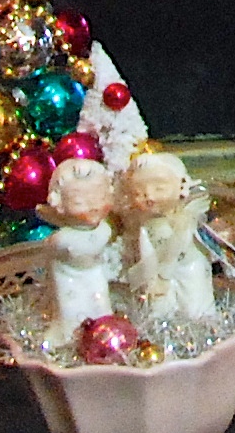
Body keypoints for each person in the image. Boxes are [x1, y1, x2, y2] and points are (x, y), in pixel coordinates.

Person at [118, 147, 214, 326]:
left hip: (188, 269)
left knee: (193, 306)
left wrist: (163, 277)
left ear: (181, 186)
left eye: (159, 189)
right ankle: (163, 328)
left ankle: (201, 327)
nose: (149, 197)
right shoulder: (144, 226)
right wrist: (151, 279)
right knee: (160, 308)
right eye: (139, 193)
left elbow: (175, 251)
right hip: (158, 275)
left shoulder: (183, 221)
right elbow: (145, 254)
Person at [36, 157, 118, 350]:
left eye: (100, 198)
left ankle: (101, 338)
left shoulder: (105, 230)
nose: (93, 207)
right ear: (60, 204)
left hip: (95, 276)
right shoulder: (62, 239)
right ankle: (68, 338)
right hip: (68, 280)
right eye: (80, 202)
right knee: (71, 309)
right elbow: (50, 255)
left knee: (100, 304)